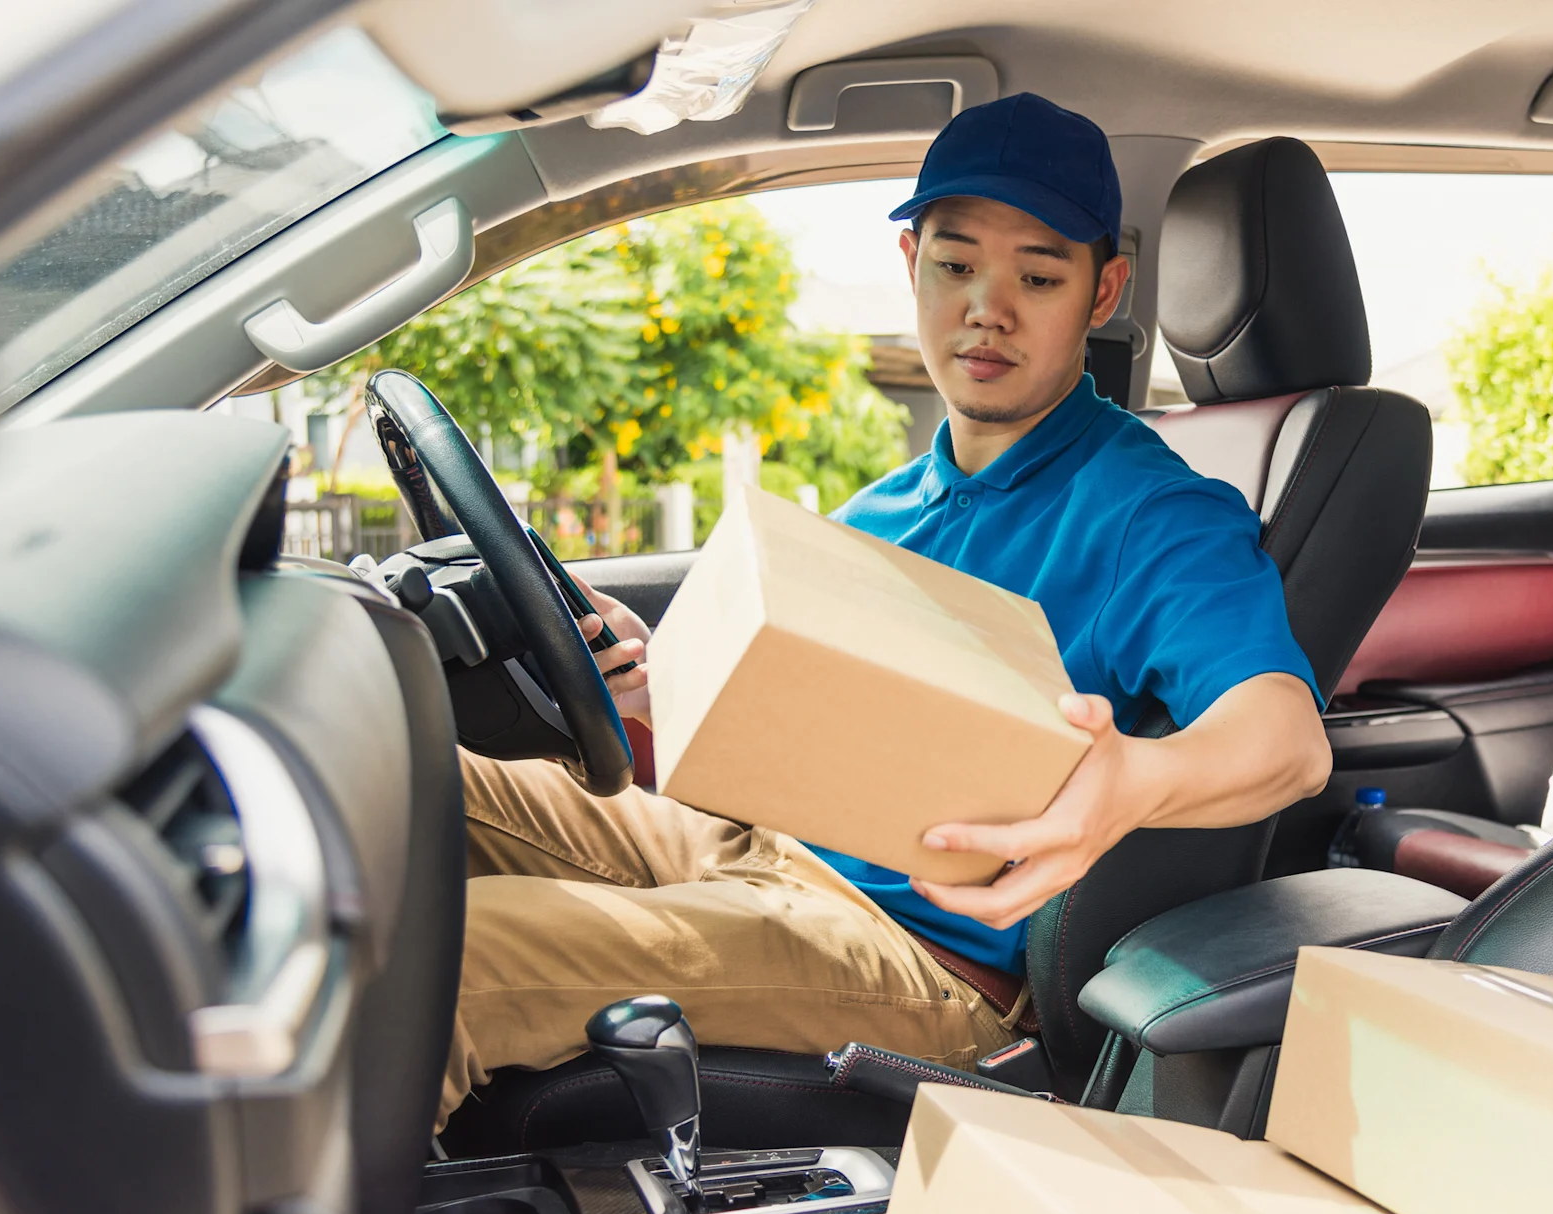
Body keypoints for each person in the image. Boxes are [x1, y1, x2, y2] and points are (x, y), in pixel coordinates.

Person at [441, 93, 1331, 1129]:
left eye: (1039, 276)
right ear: (912, 262)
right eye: (956, 265)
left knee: (446, 958)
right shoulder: (884, 507)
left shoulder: (1157, 513)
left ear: (1104, 290)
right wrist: (662, 681)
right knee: (398, 777)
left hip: (922, 955)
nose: (987, 309)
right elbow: (809, 734)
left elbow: (1287, 740)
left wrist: (1136, 777)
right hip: (757, 849)